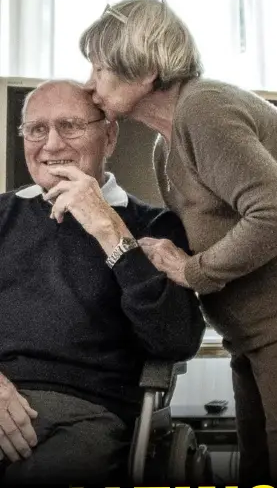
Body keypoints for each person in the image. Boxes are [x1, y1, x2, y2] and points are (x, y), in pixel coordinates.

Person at [80, 0, 277, 486]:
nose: (90, 83)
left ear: (146, 70)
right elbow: (226, 227)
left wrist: (192, 270)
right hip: (257, 331)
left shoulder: (205, 112)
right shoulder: (165, 145)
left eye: (102, 68)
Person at [0, 80, 204, 485]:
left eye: (70, 126)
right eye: (36, 130)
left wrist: (111, 232)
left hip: (82, 413)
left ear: (109, 135)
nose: (51, 145)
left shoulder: (155, 225)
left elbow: (176, 340)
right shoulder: (2, 216)